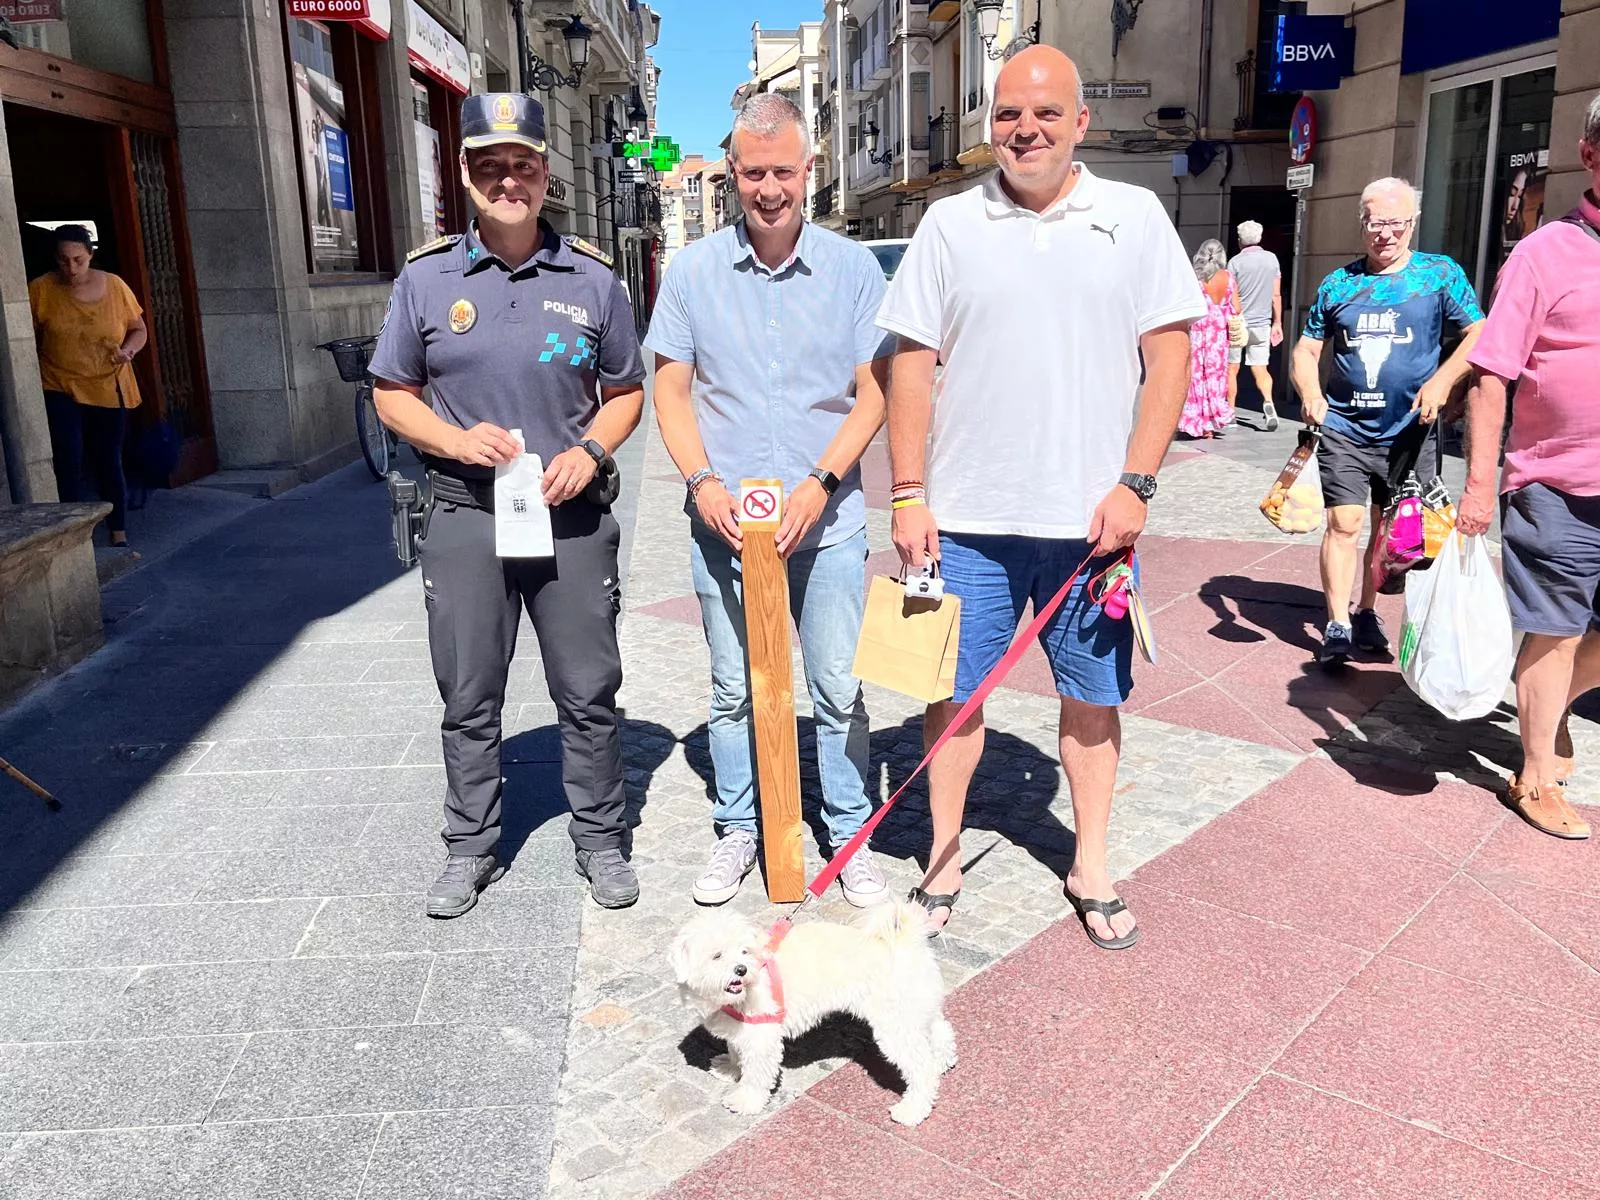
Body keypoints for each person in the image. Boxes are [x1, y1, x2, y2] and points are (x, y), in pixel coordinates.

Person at [878, 46, 1204, 947]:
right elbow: (910, 361)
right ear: (992, 125)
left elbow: (1169, 357)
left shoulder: (1133, 217)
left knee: (1094, 700)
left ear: (1080, 123)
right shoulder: (948, 224)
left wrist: (1137, 483)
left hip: (1090, 523)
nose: (1027, 131)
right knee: (952, 699)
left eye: (1046, 114)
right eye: (1011, 116)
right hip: (968, 521)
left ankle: (1091, 860)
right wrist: (908, 494)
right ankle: (942, 858)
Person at [369, 93, 648, 916]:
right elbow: (393, 392)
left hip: (571, 517)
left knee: (588, 688)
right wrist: (454, 443)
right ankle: (470, 848)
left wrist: (589, 449)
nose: (507, 179)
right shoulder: (427, 279)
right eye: (489, 165)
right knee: (468, 693)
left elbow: (626, 391)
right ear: (465, 174)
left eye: (521, 163)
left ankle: (601, 838)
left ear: (545, 173)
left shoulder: (594, 278)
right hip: (464, 511)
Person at [645, 93, 892, 907]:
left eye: (784, 170)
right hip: (725, 527)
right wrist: (701, 482)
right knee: (734, 686)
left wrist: (820, 485)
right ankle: (739, 827)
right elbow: (672, 393)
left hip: (828, 524)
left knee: (836, 685)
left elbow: (872, 395)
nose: (769, 188)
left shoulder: (854, 271)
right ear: (732, 177)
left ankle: (848, 830)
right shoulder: (693, 273)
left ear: (809, 170)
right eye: (753, 173)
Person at [1458, 92, 1600, 841]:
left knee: (1588, 639)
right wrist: (1481, 484)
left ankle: (1555, 708)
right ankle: (1535, 772)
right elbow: (1492, 374)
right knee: (1556, 630)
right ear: (1591, 156)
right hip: (1558, 484)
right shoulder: (1543, 253)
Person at [1291, 178, 1485, 666]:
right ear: (1363, 223)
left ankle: (1367, 611)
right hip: (1345, 427)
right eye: (1376, 223)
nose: (1386, 234)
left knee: (1393, 528)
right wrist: (1311, 392)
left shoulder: (1438, 275)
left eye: (1396, 223)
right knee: (1344, 522)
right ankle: (1336, 626)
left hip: (1411, 430)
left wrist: (1443, 381)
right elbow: (1306, 347)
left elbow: (1479, 334)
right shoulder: (1340, 284)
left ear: (1412, 223)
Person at [29, 225, 148, 549]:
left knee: (107, 457)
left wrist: (129, 350)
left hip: (106, 383)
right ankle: (72, 533)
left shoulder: (115, 286)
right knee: (69, 454)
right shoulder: (41, 289)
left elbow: (138, 328)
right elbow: (26, 335)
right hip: (58, 381)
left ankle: (118, 530)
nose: (71, 268)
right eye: (64, 260)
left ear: (90, 255)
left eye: (78, 260)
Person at [1226, 220, 1283, 429]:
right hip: (1262, 322)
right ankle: (1268, 403)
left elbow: (1231, 295)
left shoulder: (1235, 263)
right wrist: (1277, 322)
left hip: (1238, 323)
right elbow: (1276, 294)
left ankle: (1230, 413)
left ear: (1240, 240)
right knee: (1261, 368)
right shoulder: (1272, 260)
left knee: (1232, 369)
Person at [1178, 238, 1236, 440]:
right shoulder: (1228, 278)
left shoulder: (1196, 279)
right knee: (1216, 377)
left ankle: (1198, 422)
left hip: (1198, 331)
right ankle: (1212, 422)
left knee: (1196, 377)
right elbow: (1237, 308)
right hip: (1219, 335)